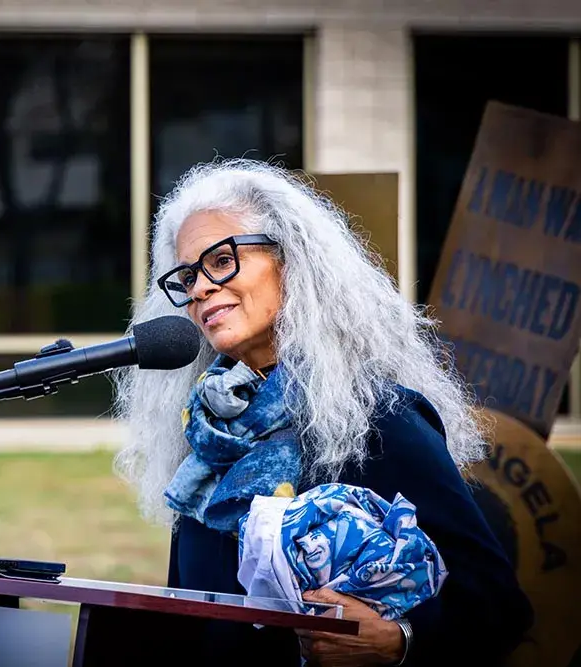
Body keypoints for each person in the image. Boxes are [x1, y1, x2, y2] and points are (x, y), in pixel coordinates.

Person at [111, 159, 534, 666]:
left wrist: (400, 641)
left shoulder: (378, 421)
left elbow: (498, 607)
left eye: (220, 261)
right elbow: (191, 619)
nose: (199, 288)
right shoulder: (206, 440)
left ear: (292, 261)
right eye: (186, 275)